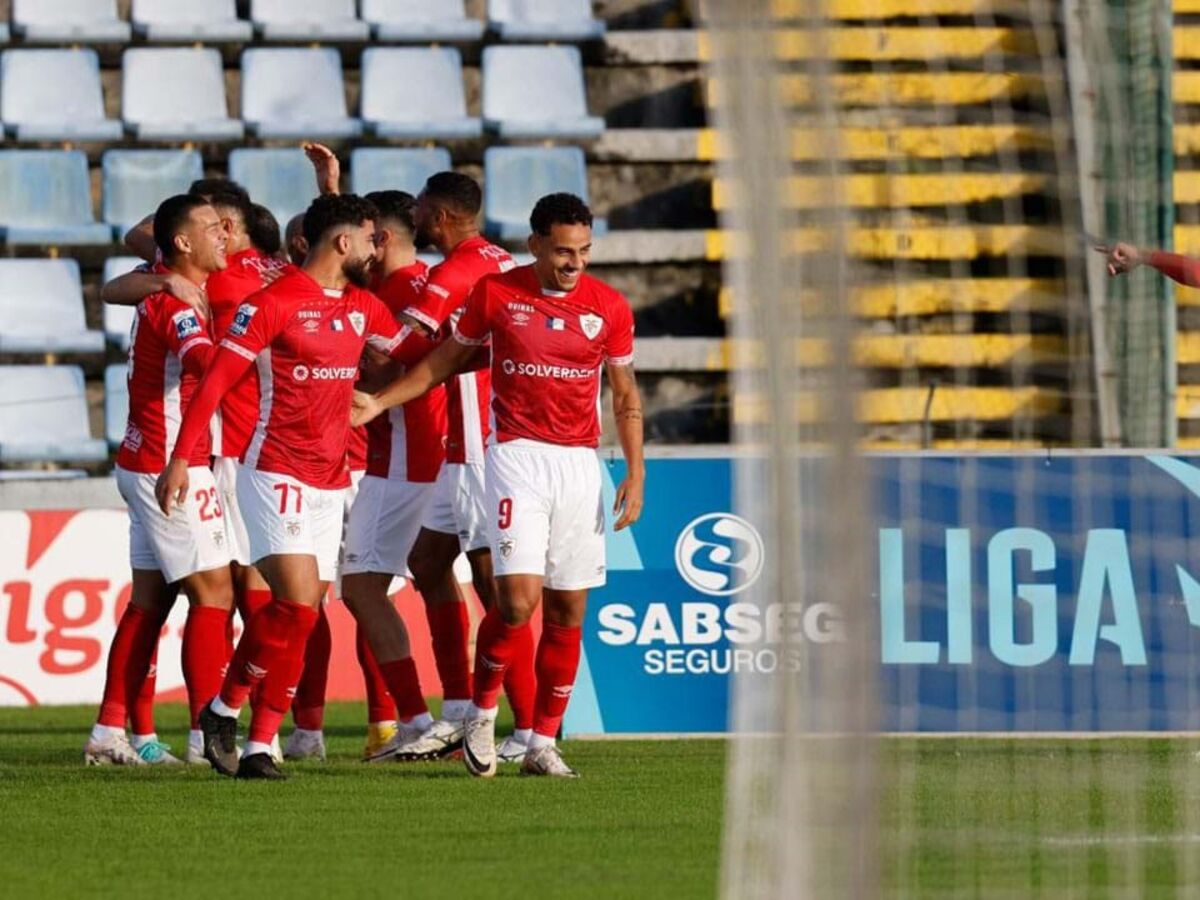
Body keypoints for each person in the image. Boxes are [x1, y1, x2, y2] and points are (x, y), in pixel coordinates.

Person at [352, 193, 645, 778]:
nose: (574, 264)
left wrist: (636, 472)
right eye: (563, 251)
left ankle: (540, 742)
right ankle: (482, 716)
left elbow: (626, 394)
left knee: (568, 609)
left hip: (580, 465)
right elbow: (442, 362)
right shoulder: (497, 294)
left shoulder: (608, 307)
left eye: (584, 252)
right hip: (515, 457)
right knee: (515, 601)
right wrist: (379, 401)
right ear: (535, 244)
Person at [156, 194, 409, 781]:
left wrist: (478, 345)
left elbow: (415, 354)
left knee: (303, 614)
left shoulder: (364, 307)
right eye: (371, 240)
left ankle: (257, 745)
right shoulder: (270, 304)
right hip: (273, 471)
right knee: (295, 603)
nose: (378, 250)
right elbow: (216, 381)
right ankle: (225, 706)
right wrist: (178, 460)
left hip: (330, 478)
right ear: (343, 243)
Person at [382, 171, 538, 764]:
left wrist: (339, 348)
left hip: (478, 438)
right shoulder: (495, 258)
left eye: (420, 207)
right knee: (427, 561)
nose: (414, 215)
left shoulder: (455, 272)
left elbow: (405, 346)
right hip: (463, 441)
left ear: (440, 216)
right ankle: (458, 709)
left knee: (494, 581)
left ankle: (522, 725)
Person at [85, 195, 235, 767]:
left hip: (142, 459)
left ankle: (107, 732)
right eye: (209, 228)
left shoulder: (166, 286)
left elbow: (119, 283)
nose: (222, 235)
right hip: (171, 464)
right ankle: (206, 738)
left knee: (149, 603)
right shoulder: (176, 306)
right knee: (214, 594)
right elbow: (201, 364)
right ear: (182, 243)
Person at [337, 189, 446, 761]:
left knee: (361, 588)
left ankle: (416, 721)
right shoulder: (428, 281)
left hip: (398, 456)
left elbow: (381, 364)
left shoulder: (396, 293)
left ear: (379, 239)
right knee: (439, 583)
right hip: (435, 452)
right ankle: (453, 718)